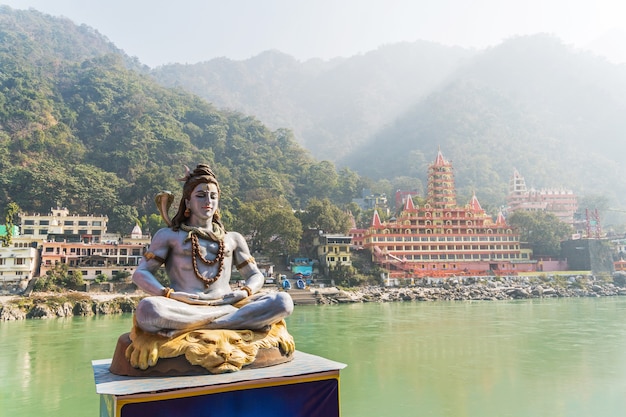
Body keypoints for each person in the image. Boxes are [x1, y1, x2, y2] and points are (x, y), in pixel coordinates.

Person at [132, 164, 294, 337]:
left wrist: (244, 292)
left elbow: (256, 275)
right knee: (148, 309)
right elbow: (140, 273)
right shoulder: (169, 236)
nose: (208, 201)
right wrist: (169, 295)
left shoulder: (233, 238)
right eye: (201, 196)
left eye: (213, 196)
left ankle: (205, 325)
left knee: (283, 301)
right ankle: (233, 321)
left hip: (227, 302)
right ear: (188, 202)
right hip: (186, 305)